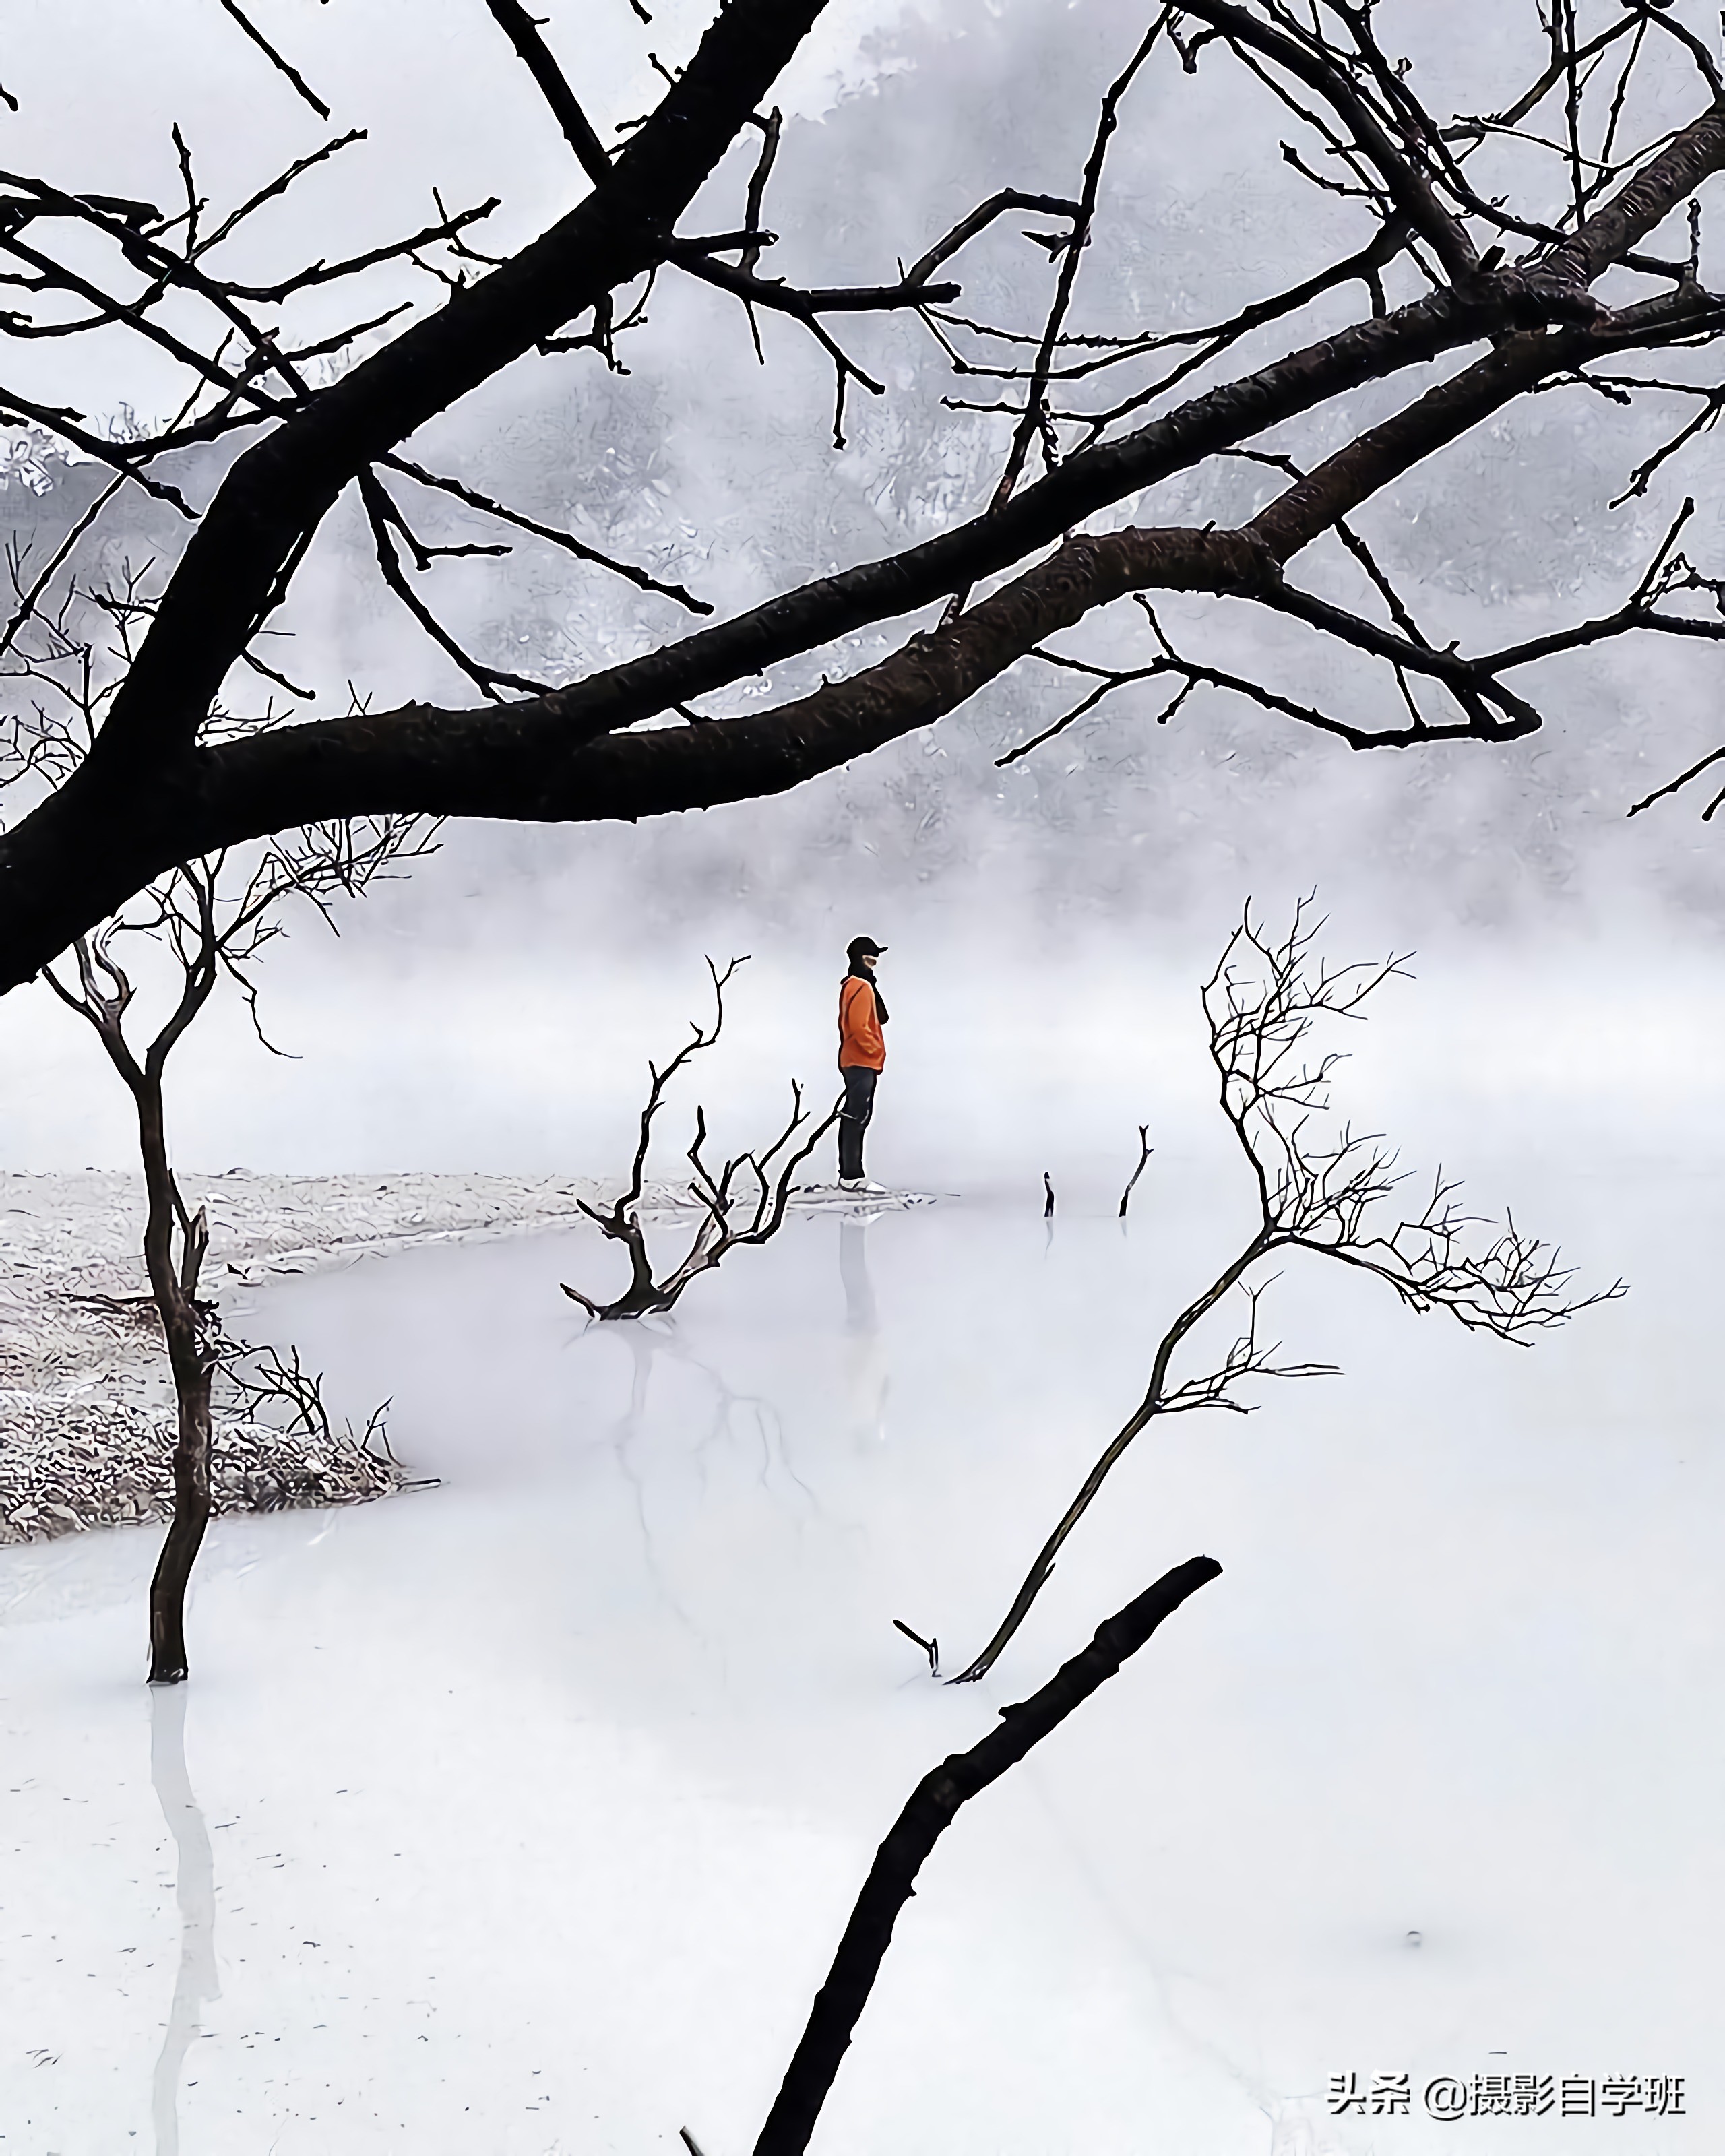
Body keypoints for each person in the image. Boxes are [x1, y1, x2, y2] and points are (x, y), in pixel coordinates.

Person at [837, 935, 887, 1191]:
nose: (875, 961)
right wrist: (874, 1049)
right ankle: (851, 1176)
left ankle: (851, 1173)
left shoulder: (856, 984)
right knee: (856, 1116)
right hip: (860, 1060)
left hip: (857, 1059)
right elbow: (858, 1026)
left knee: (857, 1116)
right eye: (871, 956)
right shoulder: (860, 986)